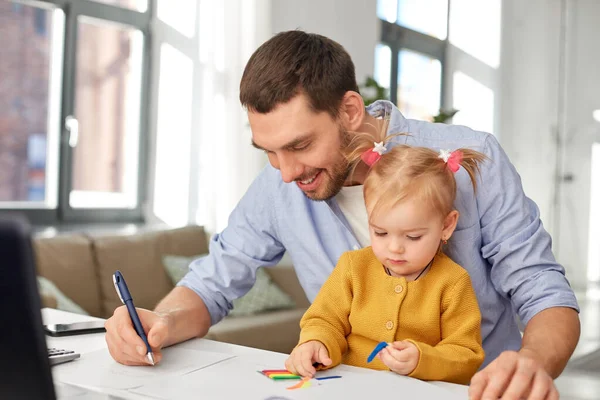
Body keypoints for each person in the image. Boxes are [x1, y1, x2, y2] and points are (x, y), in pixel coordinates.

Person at [104, 30, 580, 400]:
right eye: (268, 152)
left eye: (300, 145)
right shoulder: (279, 185)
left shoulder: (473, 159)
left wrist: (532, 360)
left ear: (350, 110)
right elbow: (212, 284)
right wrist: (160, 321)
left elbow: (544, 292)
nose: (286, 173)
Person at [285, 139, 487, 385]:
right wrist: (316, 342)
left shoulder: (453, 283)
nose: (394, 248)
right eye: (380, 232)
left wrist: (423, 359)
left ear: (446, 226)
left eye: (413, 236)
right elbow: (324, 320)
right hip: (348, 387)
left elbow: (466, 354)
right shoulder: (353, 267)